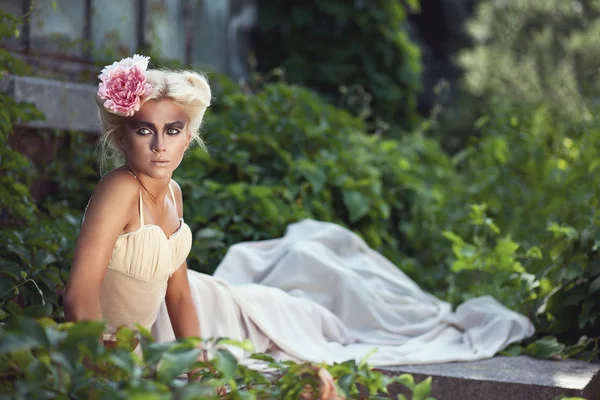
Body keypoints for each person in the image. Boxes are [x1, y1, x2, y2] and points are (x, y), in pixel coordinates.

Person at [64, 55, 535, 374]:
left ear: (190, 137)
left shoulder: (174, 195)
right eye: (145, 129)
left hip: (165, 334)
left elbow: (181, 295)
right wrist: (107, 375)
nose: (160, 144)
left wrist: (202, 365)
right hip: (103, 356)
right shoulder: (119, 190)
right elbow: (80, 296)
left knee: (297, 313)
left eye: (173, 130)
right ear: (123, 137)